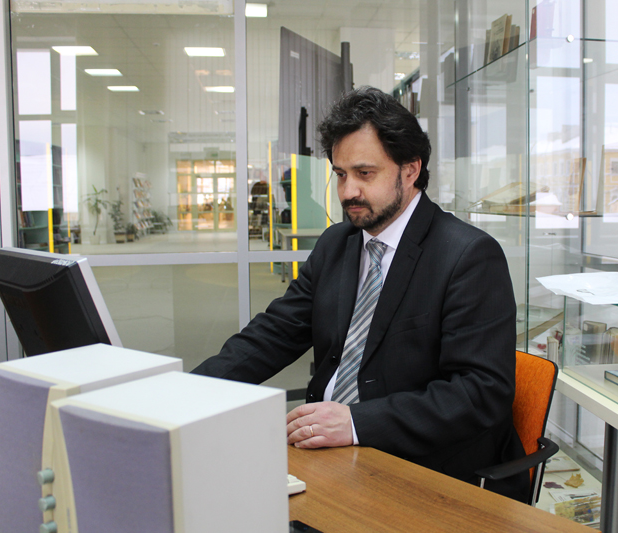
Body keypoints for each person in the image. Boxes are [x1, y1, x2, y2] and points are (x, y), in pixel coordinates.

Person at [192, 86, 528, 501]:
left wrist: (355, 423)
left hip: (421, 468)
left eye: (364, 174)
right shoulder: (338, 243)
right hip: (326, 452)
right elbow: (273, 333)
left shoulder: (468, 256)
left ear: (410, 170)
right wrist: (188, 393)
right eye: (340, 174)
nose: (347, 191)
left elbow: (480, 392)